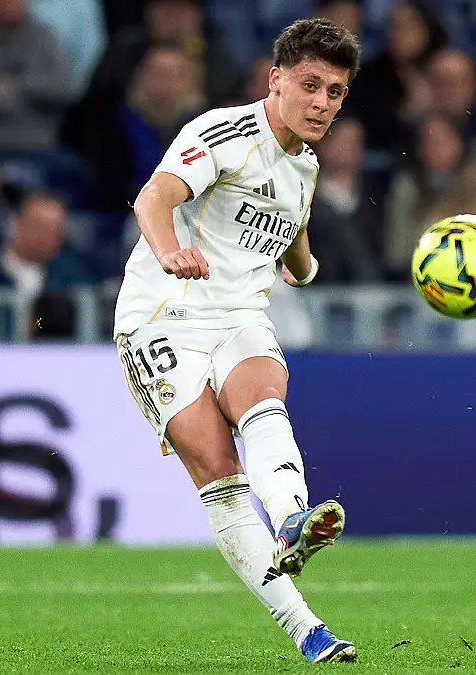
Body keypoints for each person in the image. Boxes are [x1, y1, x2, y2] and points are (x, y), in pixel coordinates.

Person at [113, 18, 359, 663]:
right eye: (310, 85)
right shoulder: (226, 133)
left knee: (263, 400)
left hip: (239, 315)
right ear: (275, 80)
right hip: (162, 316)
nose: (321, 104)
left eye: (335, 93)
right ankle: (306, 626)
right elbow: (152, 198)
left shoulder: (304, 169)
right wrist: (170, 252)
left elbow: (298, 256)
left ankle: (290, 519)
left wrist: (303, 269)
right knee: (220, 472)